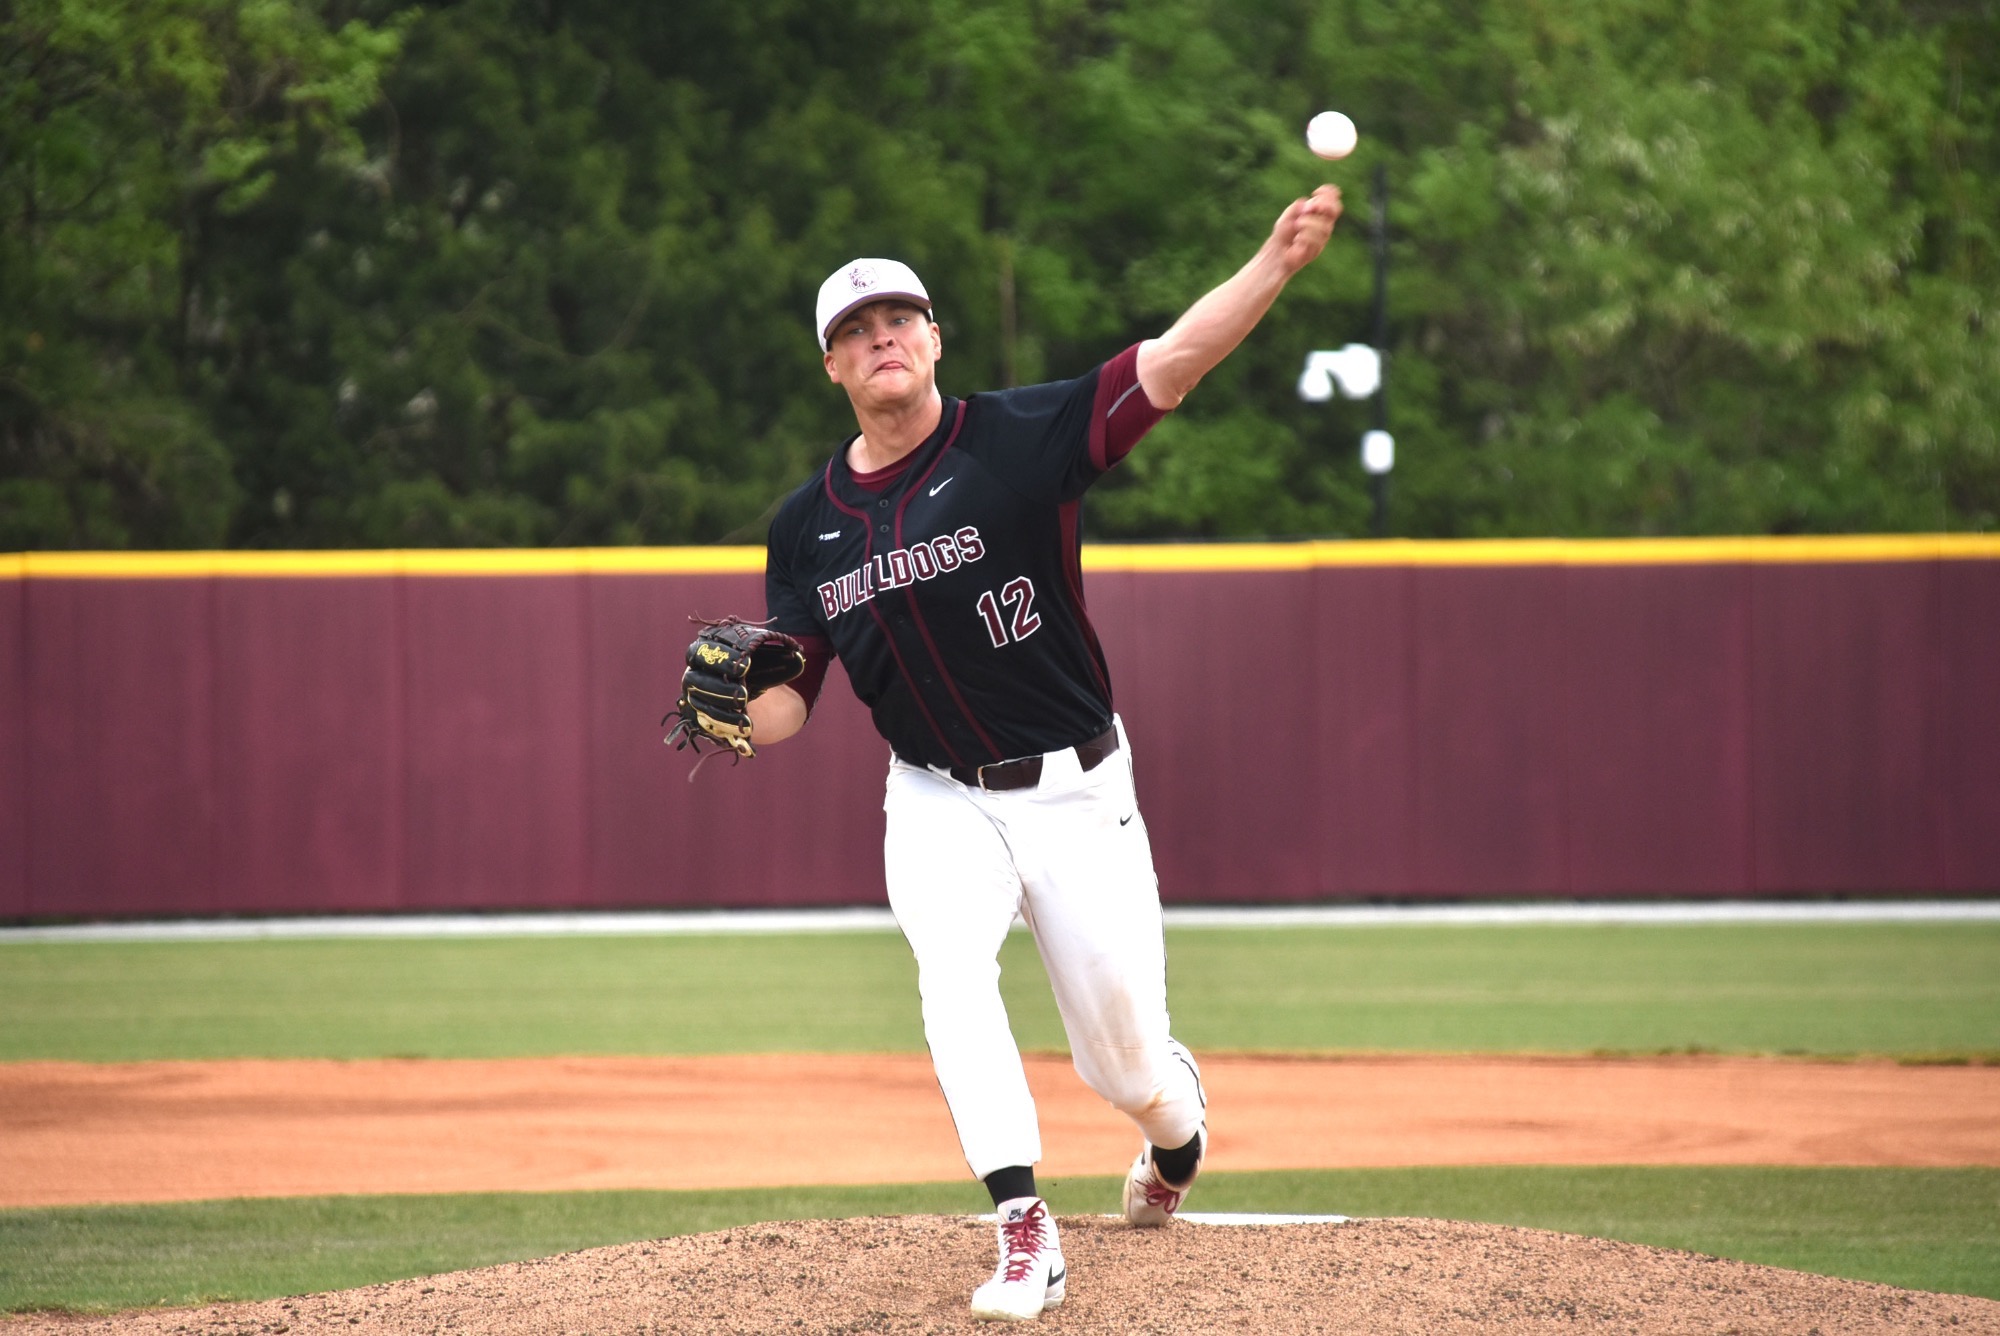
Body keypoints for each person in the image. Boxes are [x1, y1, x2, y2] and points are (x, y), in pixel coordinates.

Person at [737, 184, 1341, 1322]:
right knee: (949, 973)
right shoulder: (803, 526)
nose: (881, 339)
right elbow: (789, 703)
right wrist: (740, 714)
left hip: (1075, 787)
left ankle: (1175, 1132)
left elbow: (1171, 363)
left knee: (1126, 1068)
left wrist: (1274, 264)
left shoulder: (1015, 439)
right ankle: (1023, 1227)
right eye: (855, 331)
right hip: (933, 793)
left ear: (934, 339)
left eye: (898, 319)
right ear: (831, 366)